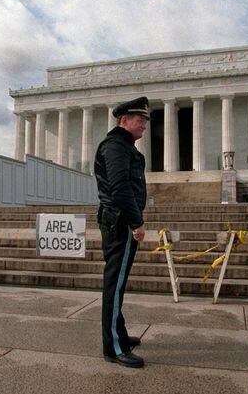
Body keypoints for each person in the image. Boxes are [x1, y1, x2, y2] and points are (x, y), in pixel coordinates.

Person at [94, 96, 149, 368]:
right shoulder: (116, 146)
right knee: (114, 287)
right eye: (140, 120)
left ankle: (121, 336)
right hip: (121, 222)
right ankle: (114, 348)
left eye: (146, 120)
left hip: (119, 220)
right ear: (123, 120)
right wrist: (136, 222)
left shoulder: (124, 146)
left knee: (117, 285)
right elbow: (120, 187)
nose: (145, 125)